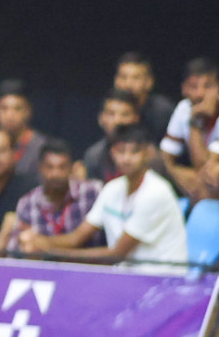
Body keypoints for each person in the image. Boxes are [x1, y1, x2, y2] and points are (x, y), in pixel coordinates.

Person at [20, 124, 188, 268]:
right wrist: (39, 241)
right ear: (113, 153)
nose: (127, 158)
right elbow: (76, 238)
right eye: (121, 151)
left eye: (134, 152)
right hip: (129, 278)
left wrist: (49, 251)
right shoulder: (112, 189)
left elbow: (116, 254)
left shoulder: (156, 193)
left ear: (147, 153)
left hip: (165, 279)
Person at [7, 139, 103, 253]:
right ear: (40, 168)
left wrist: (40, 242)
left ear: (71, 169)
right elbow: (14, 251)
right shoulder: (27, 203)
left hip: (87, 267)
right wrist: (25, 243)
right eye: (50, 167)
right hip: (42, 269)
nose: (55, 174)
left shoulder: (92, 192)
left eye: (62, 167)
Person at [163, 58, 219, 196]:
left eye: (208, 86)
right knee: (152, 161)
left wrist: (195, 122)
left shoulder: (194, 114)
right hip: (201, 176)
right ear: (184, 89)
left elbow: (205, 167)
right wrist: (176, 173)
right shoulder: (184, 108)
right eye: (193, 87)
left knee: (206, 183)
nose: (200, 93)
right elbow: (166, 155)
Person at [74, 89, 141, 183]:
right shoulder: (93, 156)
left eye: (125, 114)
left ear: (136, 119)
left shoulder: (150, 156)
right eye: (111, 114)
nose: (118, 121)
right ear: (101, 119)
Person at [113, 52, 176, 142]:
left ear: (149, 82)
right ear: (115, 81)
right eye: (123, 77)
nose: (128, 84)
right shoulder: (110, 107)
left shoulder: (163, 112)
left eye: (136, 78)